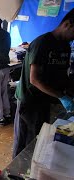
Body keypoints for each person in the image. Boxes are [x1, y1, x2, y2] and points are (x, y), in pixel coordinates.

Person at [12, 9, 74, 158]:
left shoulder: (65, 46)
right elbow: (35, 79)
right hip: (29, 101)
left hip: (46, 100)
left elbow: (62, 75)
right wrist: (62, 97)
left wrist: (67, 93)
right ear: (68, 24)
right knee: (25, 142)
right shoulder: (42, 43)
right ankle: (15, 173)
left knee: (39, 139)